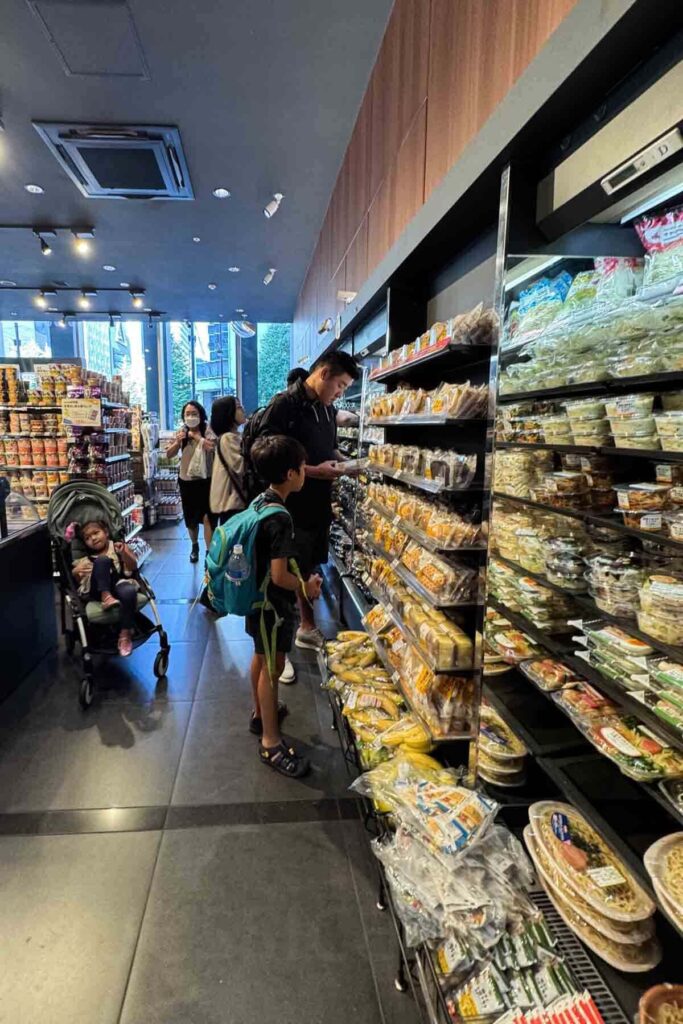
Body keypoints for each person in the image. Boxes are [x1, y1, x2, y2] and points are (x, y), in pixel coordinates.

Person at [254, 350, 360, 650]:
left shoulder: (327, 410)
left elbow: (330, 449)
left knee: (310, 564)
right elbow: (264, 454)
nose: (340, 393)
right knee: (288, 573)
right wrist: (314, 471)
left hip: (318, 505)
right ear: (324, 374)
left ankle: (304, 627)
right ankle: (281, 648)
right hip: (289, 508)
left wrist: (349, 464)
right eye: (340, 384)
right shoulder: (284, 405)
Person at [246, 435, 322, 778]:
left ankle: (261, 712)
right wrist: (305, 586)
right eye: (303, 467)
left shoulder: (260, 502)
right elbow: (279, 576)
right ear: (292, 473)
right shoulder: (282, 518)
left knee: (260, 659)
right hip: (273, 608)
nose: (305, 472)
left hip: (255, 600)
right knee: (273, 668)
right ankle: (271, 742)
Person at [71, 520, 138, 657]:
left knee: (129, 591)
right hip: (96, 590)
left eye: (96, 533)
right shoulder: (84, 559)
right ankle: (106, 596)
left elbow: (132, 567)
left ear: (106, 533)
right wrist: (75, 572)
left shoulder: (117, 548)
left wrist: (125, 553)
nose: (93, 538)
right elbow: (80, 583)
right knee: (102, 561)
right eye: (88, 538)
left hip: (118, 583)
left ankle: (125, 634)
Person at [166, 401, 215, 563]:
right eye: (187, 414)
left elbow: (212, 447)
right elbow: (169, 455)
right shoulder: (181, 432)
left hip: (206, 480)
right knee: (190, 518)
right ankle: (195, 546)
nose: (191, 417)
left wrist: (196, 436)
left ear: (201, 415)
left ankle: (209, 551)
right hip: (186, 481)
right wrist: (178, 442)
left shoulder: (207, 429)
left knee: (208, 517)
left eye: (194, 413)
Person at [209, 396, 248, 525]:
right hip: (232, 503)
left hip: (231, 503)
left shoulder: (232, 436)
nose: (243, 409)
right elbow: (241, 467)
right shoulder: (228, 438)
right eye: (238, 407)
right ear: (228, 413)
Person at [287, 367, 359, 427]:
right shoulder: (283, 403)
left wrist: (360, 419)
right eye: (340, 385)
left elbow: (343, 418)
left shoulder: (324, 403)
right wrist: (360, 419)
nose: (339, 394)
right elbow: (343, 418)